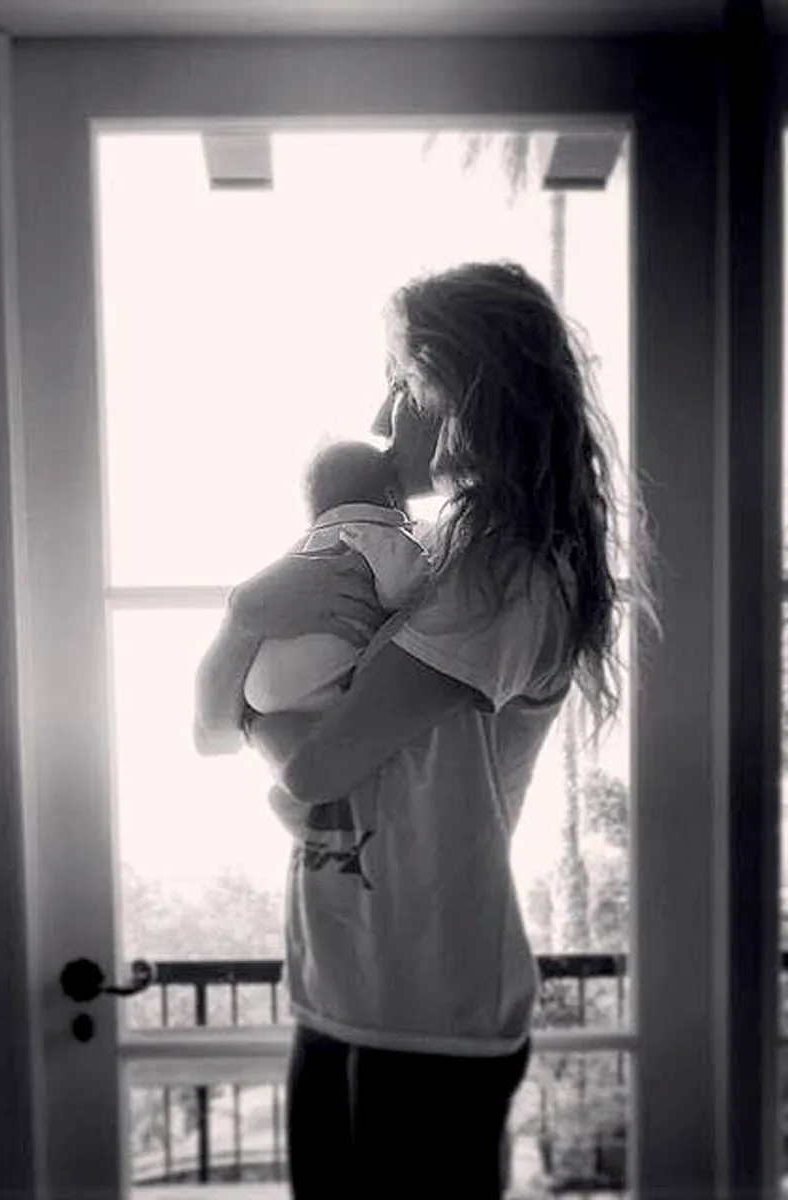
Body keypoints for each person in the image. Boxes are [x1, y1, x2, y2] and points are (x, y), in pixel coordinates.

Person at [194, 260, 655, 1198]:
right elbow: (210, 730)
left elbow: (313, 772)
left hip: (431, 1013)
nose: (381, 412)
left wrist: (255, 699)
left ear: (466, 389)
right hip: (338, 983)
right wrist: (244, 615)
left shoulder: (508, 574)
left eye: (403, 382)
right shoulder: (426, 555)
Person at [242, 437, 432, 718]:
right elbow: (403, 588)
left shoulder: (305, 546)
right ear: (393, 497)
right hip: (315, 678)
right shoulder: (379, 534)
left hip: (259, 685)